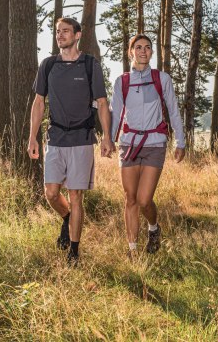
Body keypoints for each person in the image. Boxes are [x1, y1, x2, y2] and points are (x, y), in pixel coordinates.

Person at [28, 17, 114, 265]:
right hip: (55, 138)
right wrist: (32, 137)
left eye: (65, 31)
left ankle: (74, 252)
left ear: (77, 35)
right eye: (57, 32)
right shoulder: (48, 65)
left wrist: (107, 136)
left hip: (82, 139)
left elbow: (102, 103)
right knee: (51, 193)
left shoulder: (89, 65)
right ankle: (67, 218)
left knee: (76, 195)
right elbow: (38, 102)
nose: (60, 35)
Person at [110, 34, 185, 257]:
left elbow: (173, 111)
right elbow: (116, 115)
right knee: (130, 198)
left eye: (148, 48)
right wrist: (109, 139)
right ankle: (132, 251)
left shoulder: (162, 79)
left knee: (144, 200)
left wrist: (180, 142)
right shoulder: (121, 81)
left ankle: (153, 228)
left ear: (152, 53)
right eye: (139, 47)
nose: (144, 51)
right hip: (128, 144)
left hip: (154, 144)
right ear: (130, 52)